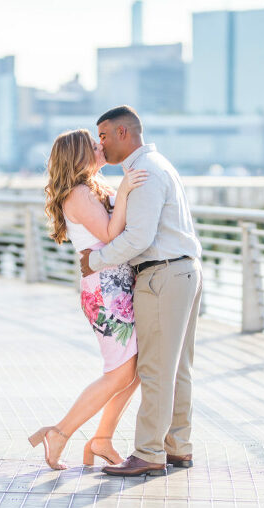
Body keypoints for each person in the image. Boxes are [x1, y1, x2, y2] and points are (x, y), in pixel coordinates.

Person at [79, 105, 203, 477]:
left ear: (123, 132)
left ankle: (149, 452)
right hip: (182, 271)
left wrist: (96, 261)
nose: (101, 144)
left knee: (155, 369)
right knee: (178, 368)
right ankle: (177, 447)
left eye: (103, 136)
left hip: (161, 275)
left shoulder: (144, 172)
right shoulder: (156, 165)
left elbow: (139, 237)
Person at [28, 128, 148, 470]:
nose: (102, 147)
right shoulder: (78, 194)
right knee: (119, 373)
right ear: (80, 156)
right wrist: (124, 190)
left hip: (115, 285)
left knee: (133, 371)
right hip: (105, 291)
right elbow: (110, 233)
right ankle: (60, 433)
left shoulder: (92, 187)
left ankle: (102, 440)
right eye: (95, 146)